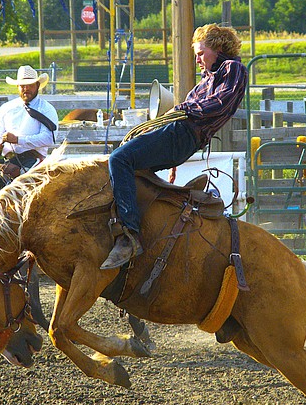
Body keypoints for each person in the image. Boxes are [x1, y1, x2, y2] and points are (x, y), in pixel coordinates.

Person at [101, 24, 248, 270]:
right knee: (132, 166)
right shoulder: (209, 78)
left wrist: (180, 109)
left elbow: (219, 104)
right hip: (182, 134)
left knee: (120, 159)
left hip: (183, 133)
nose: (197, 59)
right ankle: (141, 226)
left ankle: (129, 234)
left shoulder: (233, 69)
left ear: (218, 48)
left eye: (201, 53)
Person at [0, 65, 58, 179]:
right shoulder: (6, 108)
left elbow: (48, 138)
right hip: (7, 161)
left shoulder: (46, 109)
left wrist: (18, 140)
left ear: (37, 85)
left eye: (30, 85)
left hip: (34, 160)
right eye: (22, 86)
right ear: (18, 87)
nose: (26, 89)